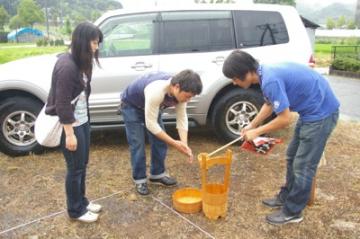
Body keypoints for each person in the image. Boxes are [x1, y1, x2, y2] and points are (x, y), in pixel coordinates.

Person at [222, 50, 340, 225]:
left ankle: (293, 211)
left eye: (234, 78)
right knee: (292, 156)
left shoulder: (270, 80)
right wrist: (252, 125)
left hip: (321, 114)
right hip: (309, 113)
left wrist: (258, 131)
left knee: (303, 165)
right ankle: (286, 197)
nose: (234, 82)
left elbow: (286, 118)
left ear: (245, 72)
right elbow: (269, 104)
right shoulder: (264, 75)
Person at [45, 22, 103, 223]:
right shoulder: (67, 66)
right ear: (82, 41)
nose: (96, 47)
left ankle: (83, 202)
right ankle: (75, 210)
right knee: (75, 168)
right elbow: (61, 103)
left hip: (83, 122)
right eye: (94, 43)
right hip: (71, 126)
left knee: (82, 164)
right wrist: (69, 134)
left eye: (98, 43)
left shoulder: (80, 61)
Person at [120, 70, 203, 195]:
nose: (188, 100)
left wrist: (184, 144)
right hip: (131, 106)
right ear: (176, 87)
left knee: (160, 141)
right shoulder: (157, 91)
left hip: (152, 107)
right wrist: (175, 143)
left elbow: (182, 118)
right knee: (138, 144)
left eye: (191, 97)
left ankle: (157, 174)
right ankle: (140, 179)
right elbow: (151, 124)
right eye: (187, 96)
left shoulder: (180, 94)